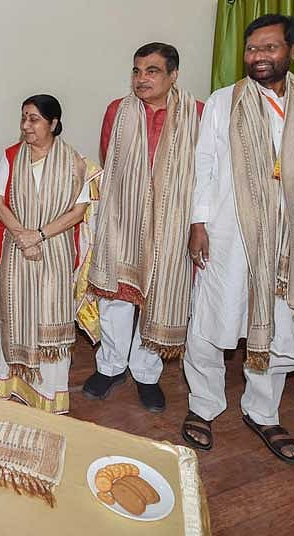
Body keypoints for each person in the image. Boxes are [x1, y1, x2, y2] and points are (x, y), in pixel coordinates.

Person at [183, 14, 294, 464]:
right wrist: (199, 223)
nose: (258, 57)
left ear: (292, 50)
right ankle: (204, 403)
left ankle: (263, 410)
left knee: (282, 324)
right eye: (252, 49)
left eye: (269, 48)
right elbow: (205, 164)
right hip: (229, 234)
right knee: (213, 320)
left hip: (290, 241)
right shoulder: (223, 101)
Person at [83, 43, 203, 413]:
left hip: (173, 221)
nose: (141, 79)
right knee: (115, 297)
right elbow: (110, 160)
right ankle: (111, 366)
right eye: (137, 71)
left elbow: (207, 171)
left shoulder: (198, 114)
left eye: (151, 71)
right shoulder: (117, 112)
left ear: (173, 75)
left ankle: (147, 374)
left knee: (159, 296)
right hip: (123, 217)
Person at [0, 94, 101, 414]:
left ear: (53, 123)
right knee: (17, 311)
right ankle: (12, 381)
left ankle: (48, 394)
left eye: (34, 119)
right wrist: (23, 237)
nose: (26, 125)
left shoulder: (73, 162)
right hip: (17, 248)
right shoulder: (11, 155)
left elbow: (79, 210)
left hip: (55, 250)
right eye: (23, 117)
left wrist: (38, 235)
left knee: (50, 313)